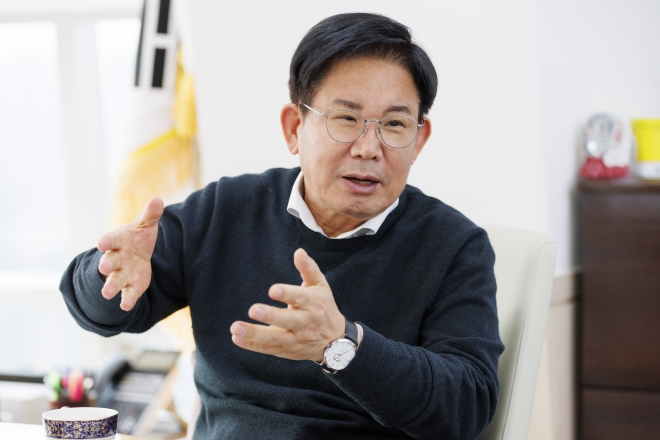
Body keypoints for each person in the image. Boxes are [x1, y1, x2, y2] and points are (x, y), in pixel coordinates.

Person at [60, 12, 504, 440]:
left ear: (418, 140)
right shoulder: (226, 210)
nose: (369, 148)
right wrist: (106, 274)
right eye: (346, 119)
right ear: (294, 128)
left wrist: (342, 344)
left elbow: (467, 406)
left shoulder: (454, 247)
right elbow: (101, 311)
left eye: (394, 124)